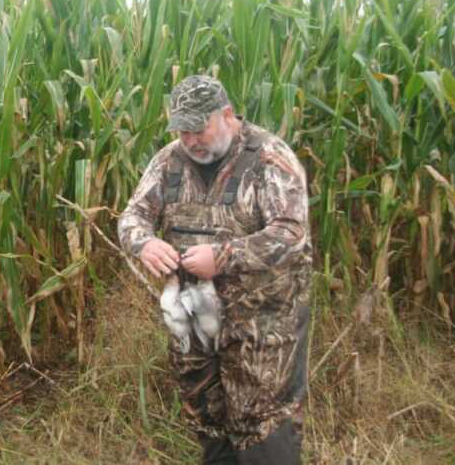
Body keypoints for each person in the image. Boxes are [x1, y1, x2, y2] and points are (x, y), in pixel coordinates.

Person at [118, 75, 311, 464]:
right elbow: (133, 216)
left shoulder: (269, 158)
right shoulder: (169, 160)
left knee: (263, 429)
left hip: (264, 326)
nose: (190, 140)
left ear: (226, 114)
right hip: (194, 322)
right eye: (182, 129)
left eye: (198, 128)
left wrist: (221, 258)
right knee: (209, 423)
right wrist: (144, 243)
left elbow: (290, 234)